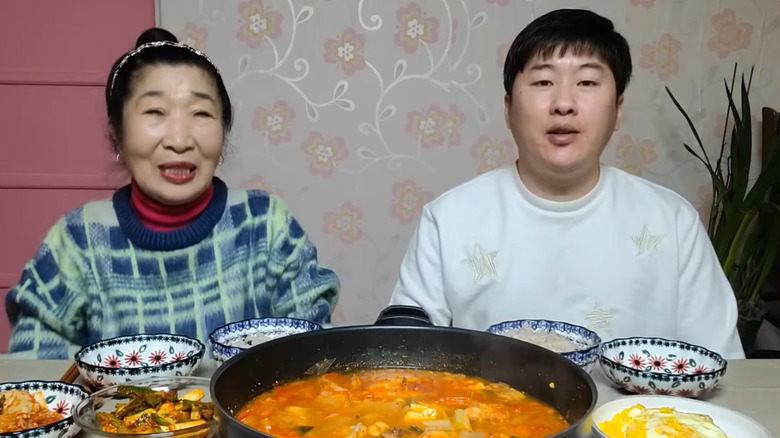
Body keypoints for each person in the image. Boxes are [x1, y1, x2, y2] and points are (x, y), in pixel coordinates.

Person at [389, 9, 745, 359]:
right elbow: (401, 357)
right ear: (509, 108)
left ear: (618, 109)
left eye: (587, 82)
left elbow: (723, 369)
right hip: (490, 414)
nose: (563, 104)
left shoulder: (672, 222)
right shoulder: (449, 219)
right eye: (543, 82)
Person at [4, 28, 339, 359]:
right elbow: (35, 373)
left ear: (222, 137)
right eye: (155, 113)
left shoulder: (265, 225)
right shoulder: (78, 241)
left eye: (201, 114)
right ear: (116, 136)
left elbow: (314, 357)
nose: (180, 140)